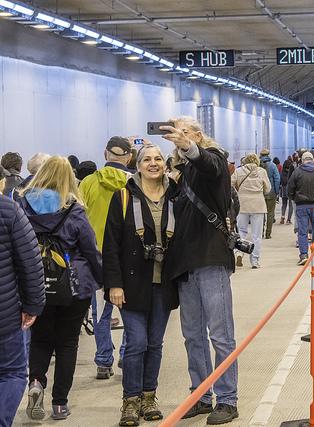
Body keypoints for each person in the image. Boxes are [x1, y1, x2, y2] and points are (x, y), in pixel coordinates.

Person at [161, 117, 238, 424]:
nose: (177, 138)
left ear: (196, 135)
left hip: (210, 259)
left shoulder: (212, 159)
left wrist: (188, 146)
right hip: (184, 264)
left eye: (183, 132)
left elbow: (211, 165)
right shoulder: (180, 173)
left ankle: (228, 399)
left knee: (220, 335)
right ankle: (201, 395)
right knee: (192, 335)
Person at [17, 156, 102, 421]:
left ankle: (36, 382)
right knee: (67, 343)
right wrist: (101, 278)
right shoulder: (73, 208)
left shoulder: (21, 204)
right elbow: (89, 248)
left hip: (35, 283)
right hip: (73, 285)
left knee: (40, 339)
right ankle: (59, 403)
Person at [102, 145, 177, 426]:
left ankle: (149, 396)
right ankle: (130, 401)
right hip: (131, 283)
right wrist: (114, 285)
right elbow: (110, 245)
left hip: (163, 283)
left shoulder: (175, 196)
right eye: (147, 159)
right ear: (138, 164)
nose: (153, 163)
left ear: (165, 163)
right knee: (137, 342)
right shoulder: (122, 196)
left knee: (155, 343)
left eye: (158, 158)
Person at [79, 136, 132, 380]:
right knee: (132, 312)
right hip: (128, 257)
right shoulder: (134, 182)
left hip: (95, 256)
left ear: (105, 154)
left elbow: (78, 218)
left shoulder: (88, 182)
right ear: (129, 157)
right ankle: (126, 354)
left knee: (100, 311)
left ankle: (103, 361)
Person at [0, 174, 45, 427]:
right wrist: (33, 306)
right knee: (12, 372)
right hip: (5, 314)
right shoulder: (8, 209)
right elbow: (30, 262)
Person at [287, 151, 314, 265]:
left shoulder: (297, 172)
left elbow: (290, 187)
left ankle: (304, 255)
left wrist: (293, 198)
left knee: (302, 231)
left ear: (302, 160)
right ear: (312, 159)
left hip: (301, 205)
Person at [231, 153, 271, 269]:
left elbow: (230, 184)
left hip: (242, 204)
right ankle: (254, 260)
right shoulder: (261, 171)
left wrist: (238, 193)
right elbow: (268, 189)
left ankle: (239, 252)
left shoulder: (238, 171)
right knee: (256, 235)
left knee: (241, 231)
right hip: (258, 204)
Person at [259, 149, 280, 240]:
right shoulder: (273, 165)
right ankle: (268, 234)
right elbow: (277, 179)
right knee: (270, 213)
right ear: (268, 154)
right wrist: (276, 191)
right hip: (271, 192)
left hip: (260, 192)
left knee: (261, 214)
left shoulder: (258, 165)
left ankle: (261, 233)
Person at [279, 158, 295, 224]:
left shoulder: (282, 172)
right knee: (291, 205)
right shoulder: (292, 172)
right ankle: (288, 219)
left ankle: (282, 216)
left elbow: (280, 181)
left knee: (284, 204)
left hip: (284, 189)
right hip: (290, 190)